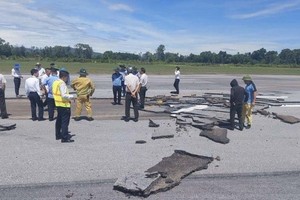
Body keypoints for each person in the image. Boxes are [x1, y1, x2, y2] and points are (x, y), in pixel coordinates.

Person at [53, 68, 75, 143]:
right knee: (65, 122)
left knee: (59, 120)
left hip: (58, 104)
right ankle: (64, 137)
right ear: (64, 76)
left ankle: (58, 134)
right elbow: (63, 95)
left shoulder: (55, 82)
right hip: (64, 105)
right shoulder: (62, 83)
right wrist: (72, 97)